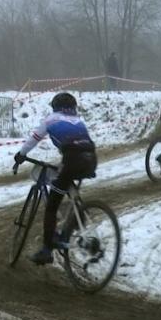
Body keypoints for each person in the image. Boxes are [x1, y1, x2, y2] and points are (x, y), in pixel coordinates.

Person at [13, 92, 97, 265]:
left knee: (51, 206)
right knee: (65, 178)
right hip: (90, 160)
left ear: (55, 107)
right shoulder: (78, 120)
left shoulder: (51, 119)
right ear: (73, 107)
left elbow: (33, 140)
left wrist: (20, 155)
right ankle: (76, 220)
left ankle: (46, 250)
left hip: (72, 160)